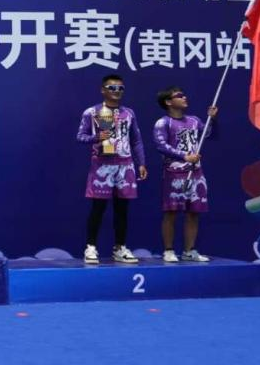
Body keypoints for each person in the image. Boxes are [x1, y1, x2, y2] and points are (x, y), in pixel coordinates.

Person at [76, 74, 148, 264]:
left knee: (122, 209)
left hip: (125, 165)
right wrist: (96, 138)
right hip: (102, 164)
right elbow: (80, 136)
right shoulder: (93, 112)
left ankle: (120, 247)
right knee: (98, 208)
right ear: (103, 90)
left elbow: (136, 140)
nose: (117, 91)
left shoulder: (129, 113)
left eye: (120, 88)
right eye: (112, 88)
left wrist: (141, 162)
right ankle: (91, 247)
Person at [153, 86, 218, 262]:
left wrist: (212, 119)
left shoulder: (194, 120)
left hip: (196, 172)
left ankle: (189, 251)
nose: (184, 97)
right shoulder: (163, 123)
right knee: (171, 211)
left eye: (184, 95)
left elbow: (208, 134)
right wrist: (184, 156)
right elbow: (161, 145)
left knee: (194, 212)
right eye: (179, 96)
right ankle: (168, 250)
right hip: (174, 173)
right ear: (168, 102)